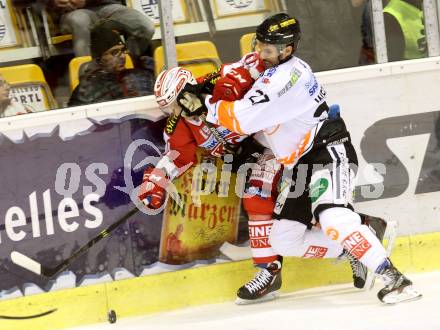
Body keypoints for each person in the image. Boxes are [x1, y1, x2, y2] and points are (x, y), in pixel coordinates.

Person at [183, 13, 421, 304]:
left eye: (268, 49)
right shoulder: (270, 65)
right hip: (300, 164)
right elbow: (238, 78)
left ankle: (395, 279)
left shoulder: (287, 78)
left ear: (288, 49)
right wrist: (207, 87)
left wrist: (204, 104)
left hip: (327, 150)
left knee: (332, 216)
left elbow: (242, 118)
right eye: (259, 45)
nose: (261, 53)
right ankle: (360, 240)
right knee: (284, 240)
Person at [138, 63, 387, 304]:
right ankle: (353, 237)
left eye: (175, 104)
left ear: (188, 91)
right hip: (258, 157)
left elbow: (264, 74)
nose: (174, 113)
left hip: (285, 143)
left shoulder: (224, 82)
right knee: (283, 209)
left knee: (265, 197)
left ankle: (272, 269)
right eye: (168, 108)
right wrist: (157, 181)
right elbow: (179, 155)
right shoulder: (179, 125)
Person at [68, 21, 154, 106]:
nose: (123, 56)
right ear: (99, 60)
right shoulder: (86, 90)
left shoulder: (140, 76)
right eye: (115, 52)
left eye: (123, 50)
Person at [47, 0, 154, 65]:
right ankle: (88, 77)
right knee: (79, 21)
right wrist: (52, 2)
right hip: (72, 12)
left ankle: (126, 65)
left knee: (145, 27)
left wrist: (86, 1)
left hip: (107, 6)